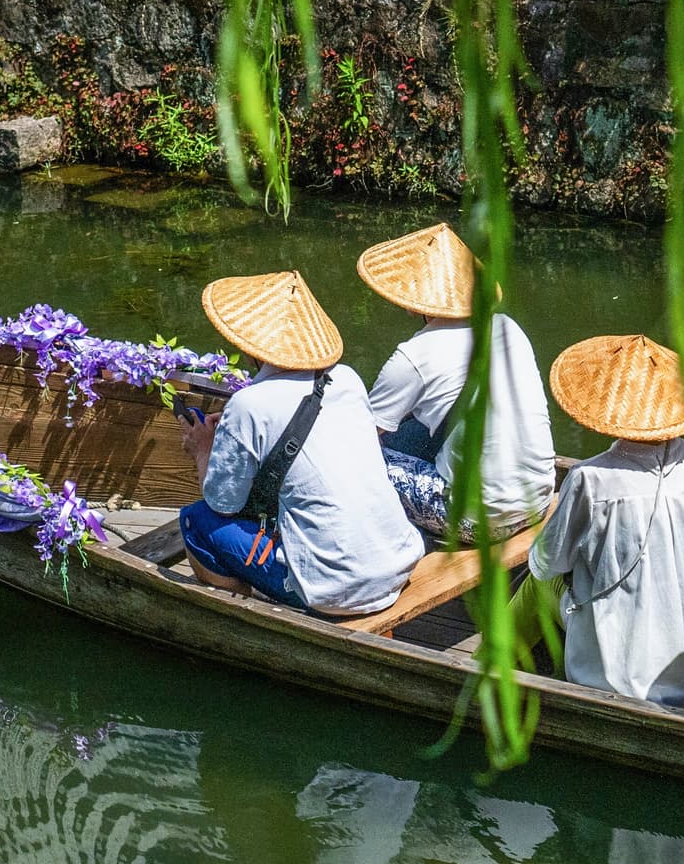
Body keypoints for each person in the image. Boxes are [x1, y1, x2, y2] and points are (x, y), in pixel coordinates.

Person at [528, 334, 684, 716]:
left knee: (535, 584)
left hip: (627, 659)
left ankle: (487, 667)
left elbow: (549, 561)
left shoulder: (591, 479)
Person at [175, 270, 423, 617]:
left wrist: (203, 448)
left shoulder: (248, 405)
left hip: (335, 590)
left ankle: (241, 624)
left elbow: (222, 505)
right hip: (400, 562)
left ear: (250, 346)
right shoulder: (347, 378)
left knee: (196, 521)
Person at [356, 220, 556, 541]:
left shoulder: (414, 355)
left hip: (476, 520)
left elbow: (358, 439)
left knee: (350, 461)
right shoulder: (508, 327)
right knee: (412, 428)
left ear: (412, 298)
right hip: (538, 500)